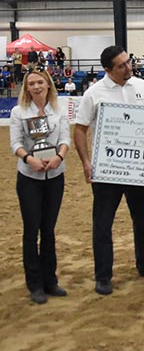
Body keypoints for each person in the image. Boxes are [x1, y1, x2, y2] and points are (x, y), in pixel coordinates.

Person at [73, 45, 144, 296]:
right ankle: (103, 275)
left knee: (142, 219)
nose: (128, 68)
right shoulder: (93, 93)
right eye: (121, 65)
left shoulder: (142, 87)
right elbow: (80, 130)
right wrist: (86, 162)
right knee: (103, 224)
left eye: (128, 62)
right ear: (107, 69)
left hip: (138, 168)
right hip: (107, 171)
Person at [9, 68, 70, 304]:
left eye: (40, 83)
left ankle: (50, 281)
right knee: (31, 229)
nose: (36, 87)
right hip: (29, 178)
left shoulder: (59, 110)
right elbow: (15, 143)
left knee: (48, 230)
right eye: (31, 83)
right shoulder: (18, 112)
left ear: (48, 85)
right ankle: (34, 284)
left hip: (55, 175)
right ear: (27, 88)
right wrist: (29, 159)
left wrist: (59, 157)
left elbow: (65, 139)